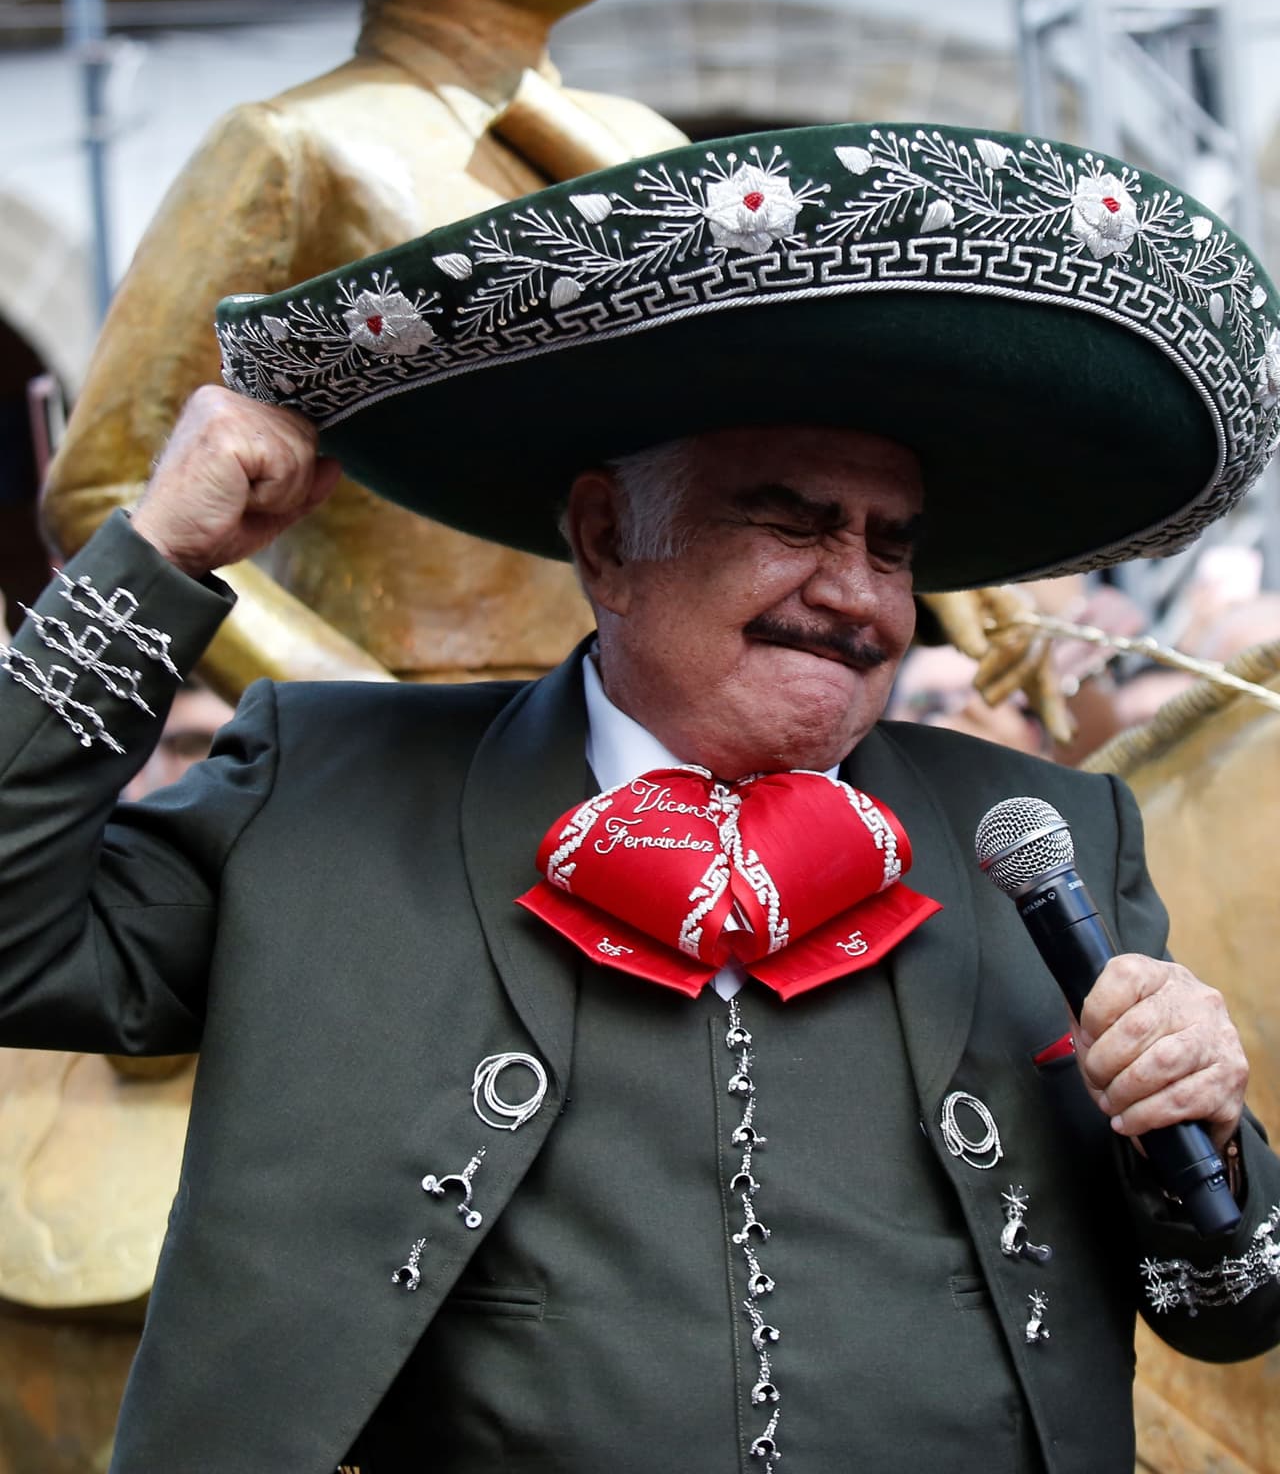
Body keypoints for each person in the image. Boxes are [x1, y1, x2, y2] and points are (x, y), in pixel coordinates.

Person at [2, 120, 1278, 1472]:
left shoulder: (1048, 840)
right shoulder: (323, 797)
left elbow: (1233, 1310)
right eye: (791, 523)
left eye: (892, 547)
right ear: (610, 539)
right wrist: (156, 554)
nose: (855, 593)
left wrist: (1196, 1133)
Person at [38, 0, 751, 695]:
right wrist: (345, 721)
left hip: (656, 733)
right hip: (427, 735)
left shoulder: (645, 145)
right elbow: (105, 486)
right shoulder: (297, 144)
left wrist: (963, 592)